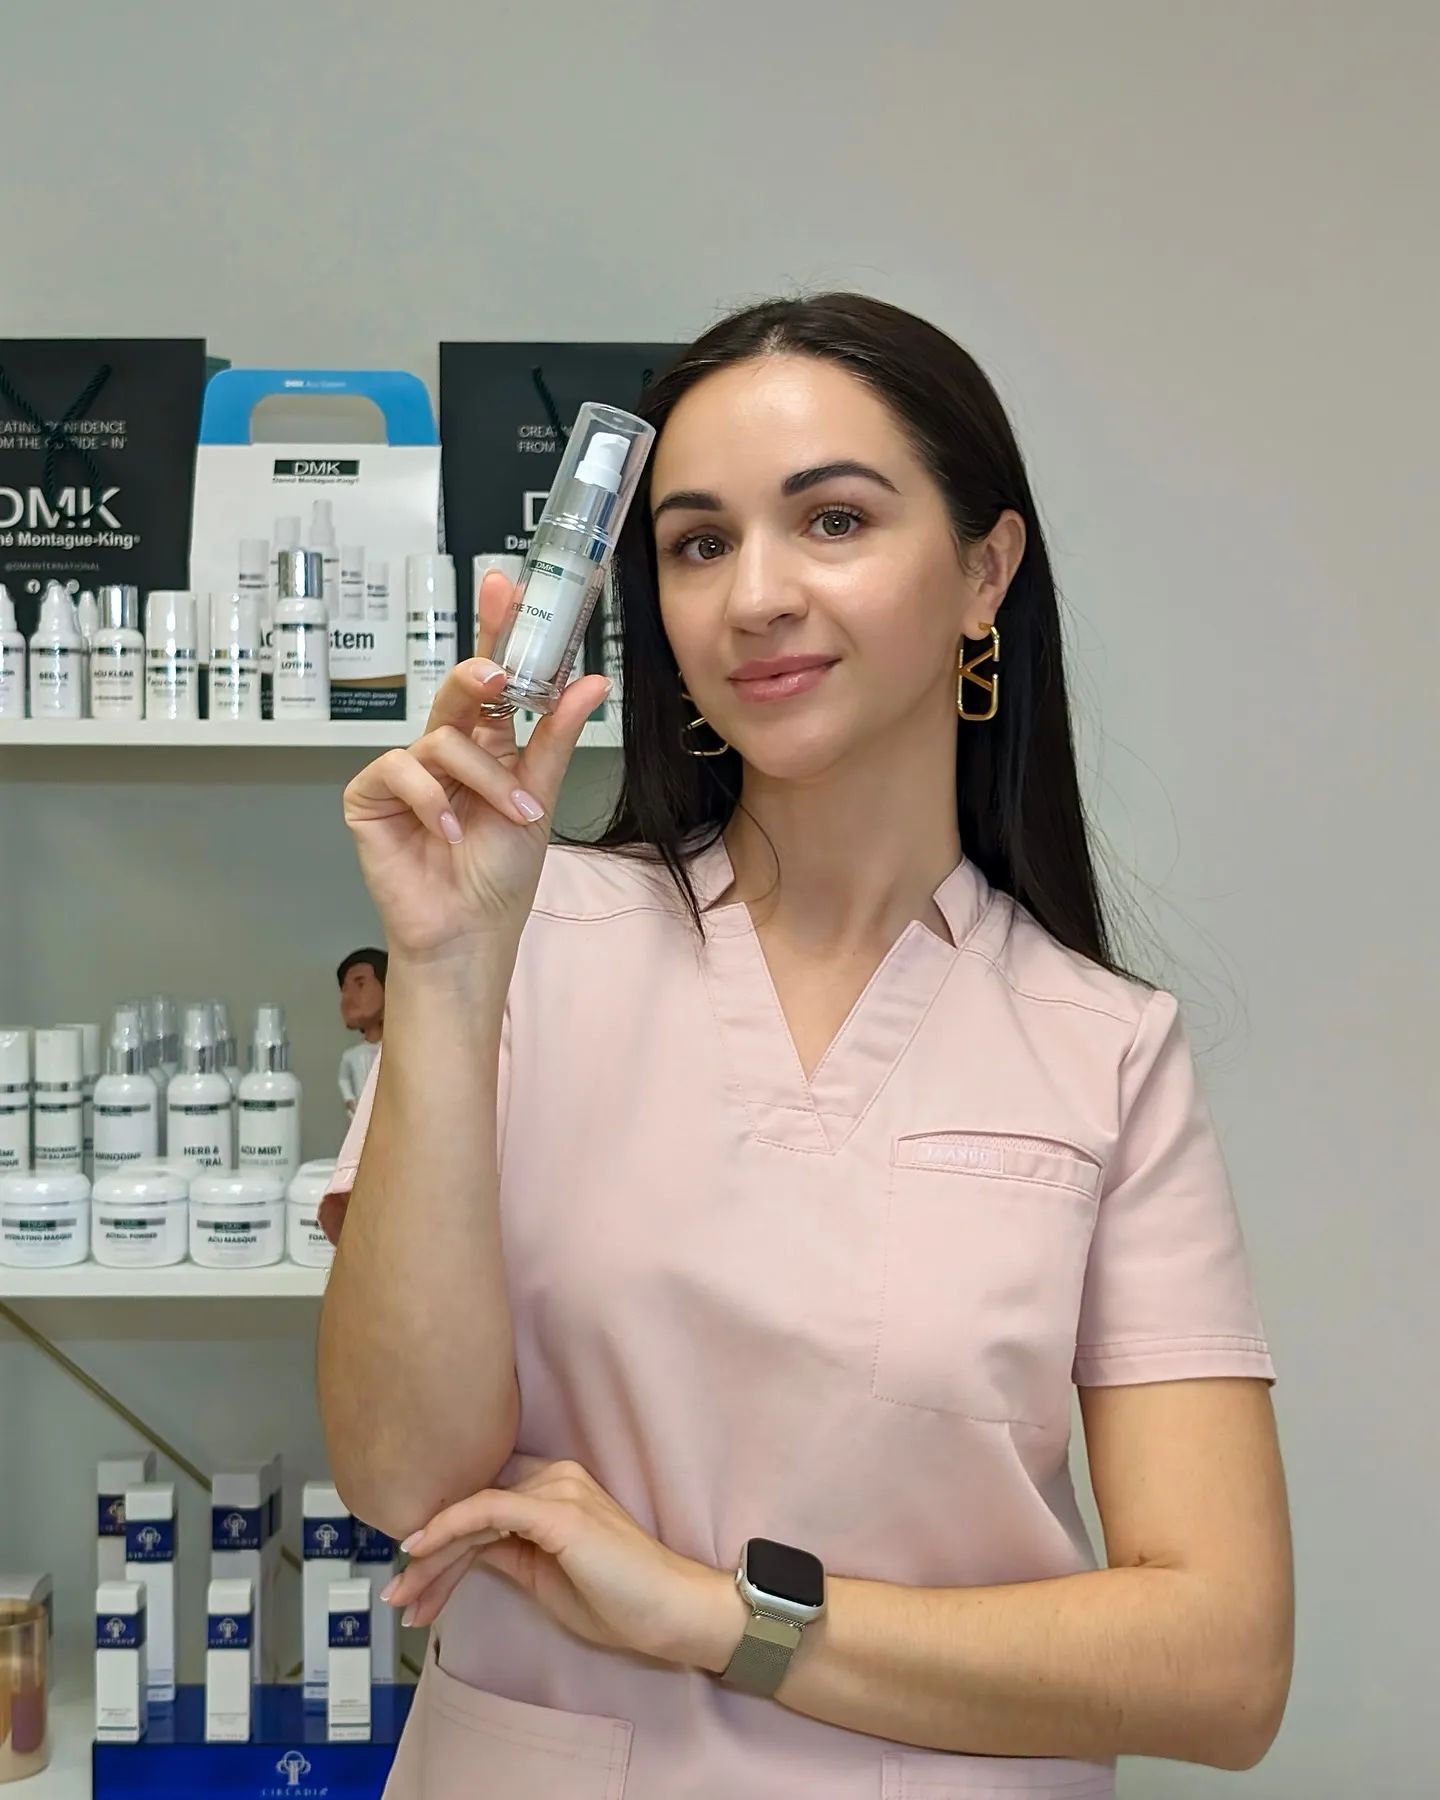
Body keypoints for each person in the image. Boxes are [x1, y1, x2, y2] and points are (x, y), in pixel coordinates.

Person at [316, 294, 1293, 1798]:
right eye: (698, 543)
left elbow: (1222, 1668)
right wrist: (446, 972)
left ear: (985, 570)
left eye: (832, 521)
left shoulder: (1101, 1051)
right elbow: (402, 1477)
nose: (755, 595)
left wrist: (724, 1620)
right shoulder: (515, 941)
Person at [336, 948, 387, 1117]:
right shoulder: (351, 1056)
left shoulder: (406, 1056)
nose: (348, 998)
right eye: (344, 989)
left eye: (360, 984)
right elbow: (344, 1080)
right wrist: (349, 1099)